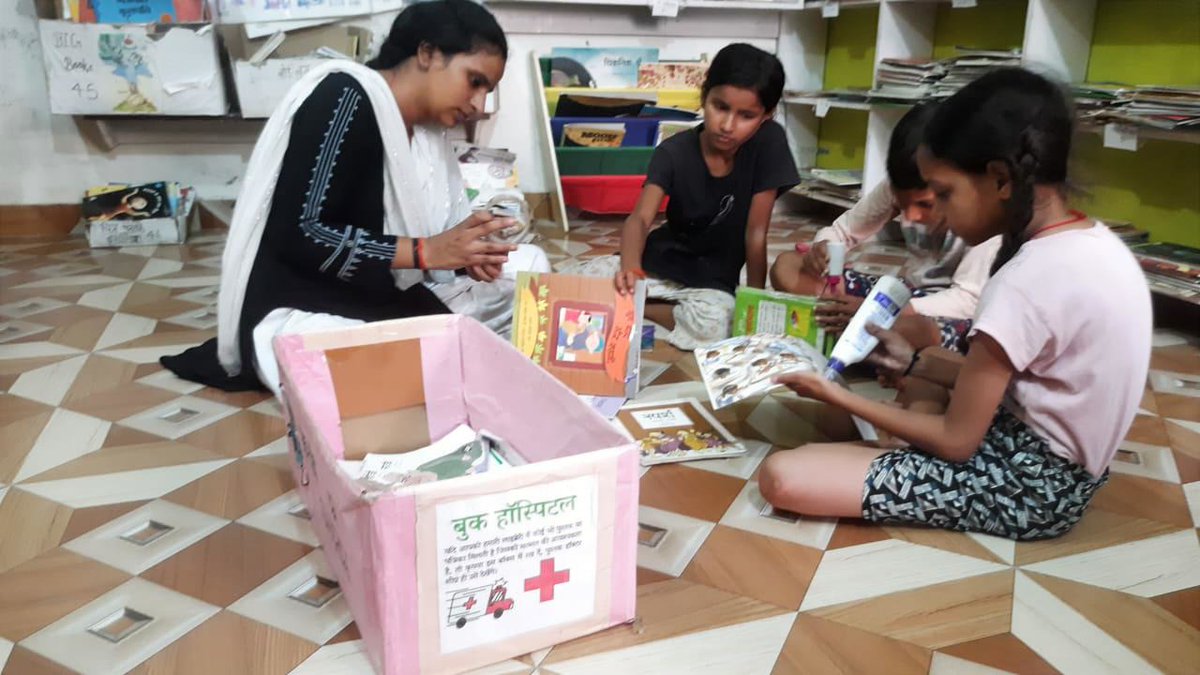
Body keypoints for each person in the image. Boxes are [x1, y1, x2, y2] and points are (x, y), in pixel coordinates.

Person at [757, 68, 1152, 541]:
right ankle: (902, 421)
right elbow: (1036, 381)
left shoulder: (1025, 280)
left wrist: (834, 393)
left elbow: (957, 442)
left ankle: (896, 437)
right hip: (1064, 467)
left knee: (783, 475)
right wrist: (915, 363)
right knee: (925, 364)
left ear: (1002, 179)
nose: (938, 214)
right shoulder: (1094, 240)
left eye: (945, 194)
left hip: (1027, 488)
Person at [161, 0, 549, 395]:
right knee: (390, 374)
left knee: (530, 268)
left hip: (381, 298)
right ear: (428, 53)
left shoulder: (429, 134)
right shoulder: (344, 96)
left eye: (487, 90)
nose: (479, 104)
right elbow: (301, 233)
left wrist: (469, 256)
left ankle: (436, 352)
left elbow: (432, 243)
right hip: (304, 308)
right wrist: (424, 252)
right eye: (474, 81)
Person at [566, 43, 800, 350]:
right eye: (720, 107)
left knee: (718, 321)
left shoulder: (770, 143)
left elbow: (756, 233)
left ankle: (634, 310)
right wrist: (632, 270)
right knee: (577, 278)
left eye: (746, 115)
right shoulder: (673, 152)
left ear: (767, 116)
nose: (728, 125)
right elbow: (640, 218)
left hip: (710, 285)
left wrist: (753, 305)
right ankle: (635, 304)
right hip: (655, 266)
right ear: (704, 96)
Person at [769, 103, 1001, 354]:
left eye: (925, 204)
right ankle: (862, 342)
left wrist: (886, 309)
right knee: (788, 265)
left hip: (945, 314)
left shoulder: (984, 218)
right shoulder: (901, 183)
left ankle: (859, 340)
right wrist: (824, 249)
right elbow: (843, 230)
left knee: (918, 334)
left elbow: (967, 301)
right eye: (903, 205)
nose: (910, 216)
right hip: (907, 294)